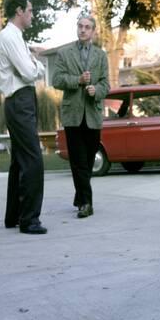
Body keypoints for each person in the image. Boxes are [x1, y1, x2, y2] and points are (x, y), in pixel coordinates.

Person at [0, 0, 47, 234]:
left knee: (19, 161)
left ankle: (13, 216)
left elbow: (30, 69)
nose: (32, 15)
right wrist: (36, 63)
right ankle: (29, 220)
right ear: (19, 11)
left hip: (21, 100)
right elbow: (29, 71)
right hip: (19, 100)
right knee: (33, 160)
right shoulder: (10, 37)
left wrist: (33, 64)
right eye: (30, 10)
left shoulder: (16, 37)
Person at [52, 15, 110, 218]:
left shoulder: (101, 56)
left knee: (87, 158)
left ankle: (79, 196)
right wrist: (77, 80)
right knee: (77, 160)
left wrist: (97, 91)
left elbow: (106, 84)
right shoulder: (64, 53)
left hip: (93, 113)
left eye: (87, 27)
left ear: (93, 31)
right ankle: (86, 203)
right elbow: (56, 80)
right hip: (72, 114)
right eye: (80, 26)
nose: (83, 30)